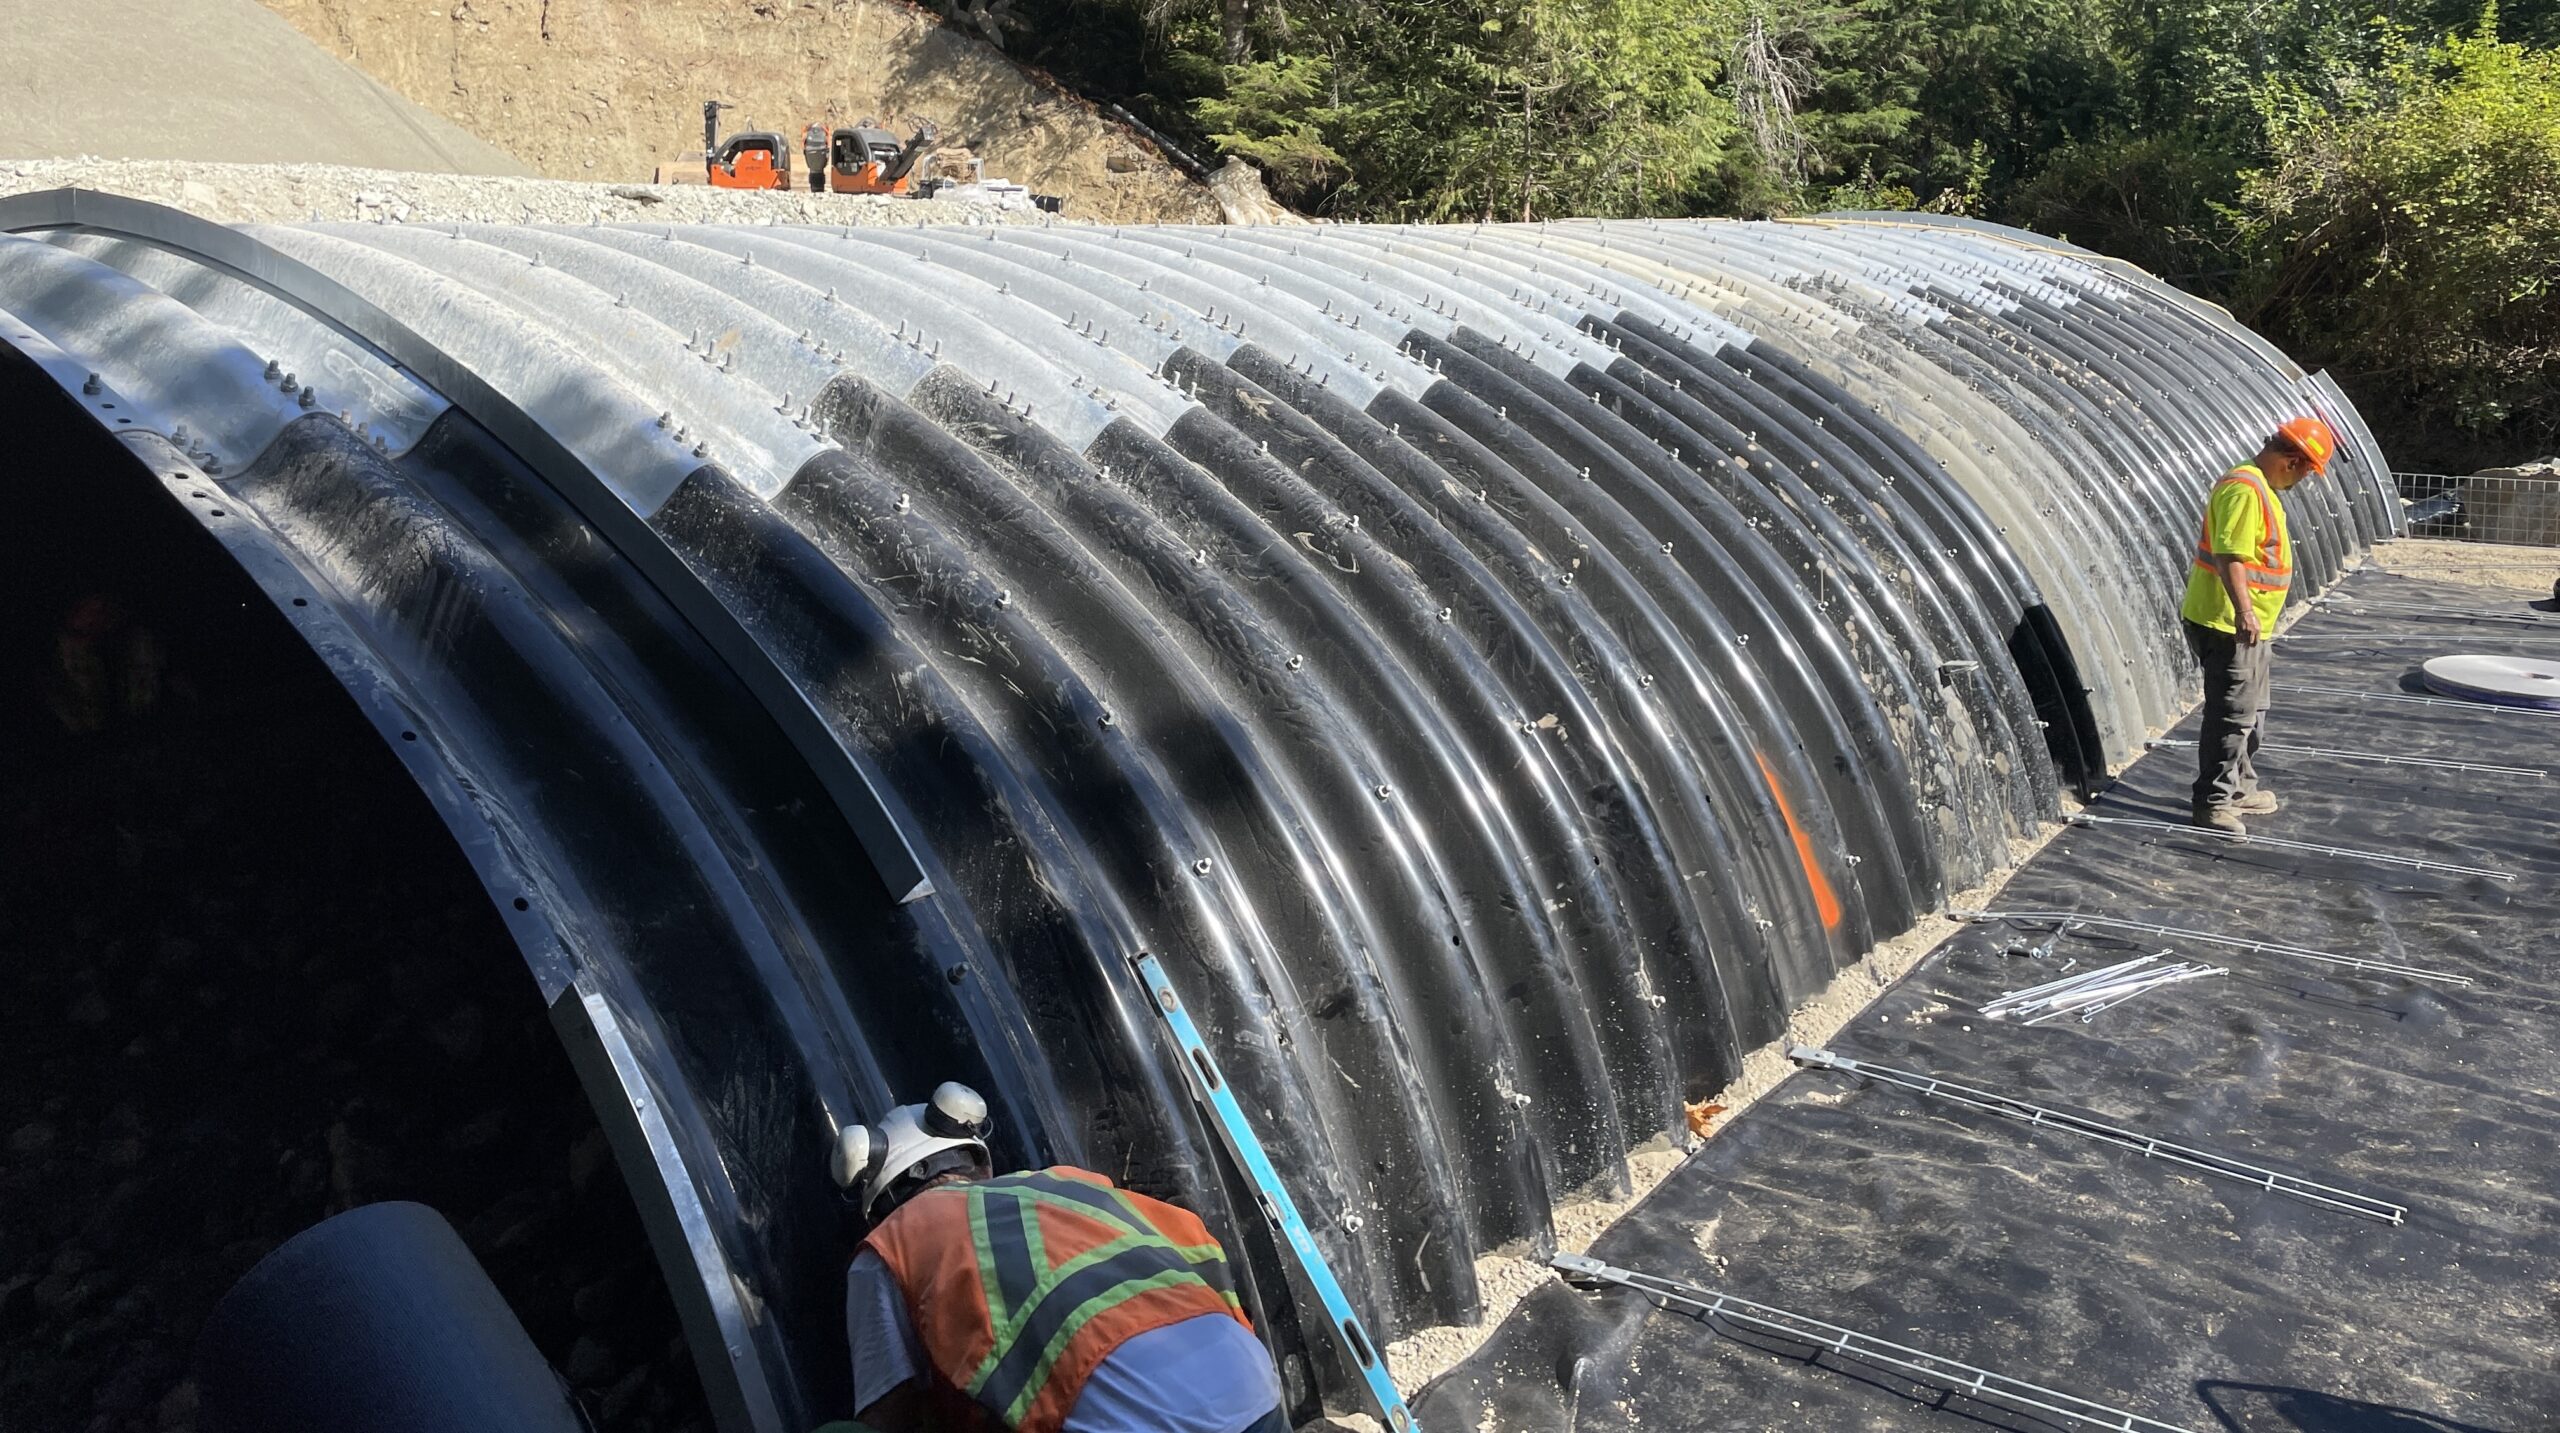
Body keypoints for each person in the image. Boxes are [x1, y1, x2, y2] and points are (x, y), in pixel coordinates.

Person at [830, 1083, 1287, 1433]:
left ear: (881, 1203)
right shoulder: (1067, 1186)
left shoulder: (891, 1245)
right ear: (978, 1162)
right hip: (1256, 1393)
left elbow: (888, 1416)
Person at [2179, 418, 2336, 834]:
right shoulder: (2245, 489)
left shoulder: (2261, 487)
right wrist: (2245, 612)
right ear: (2292, 461)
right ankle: (2212, 803)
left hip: (2249, 627)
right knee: (2232, 715)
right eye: (2307, 471)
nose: (2304, 480)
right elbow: (2229, 557)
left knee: (2253, 712)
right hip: (2228, 624)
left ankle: (2239, 788)